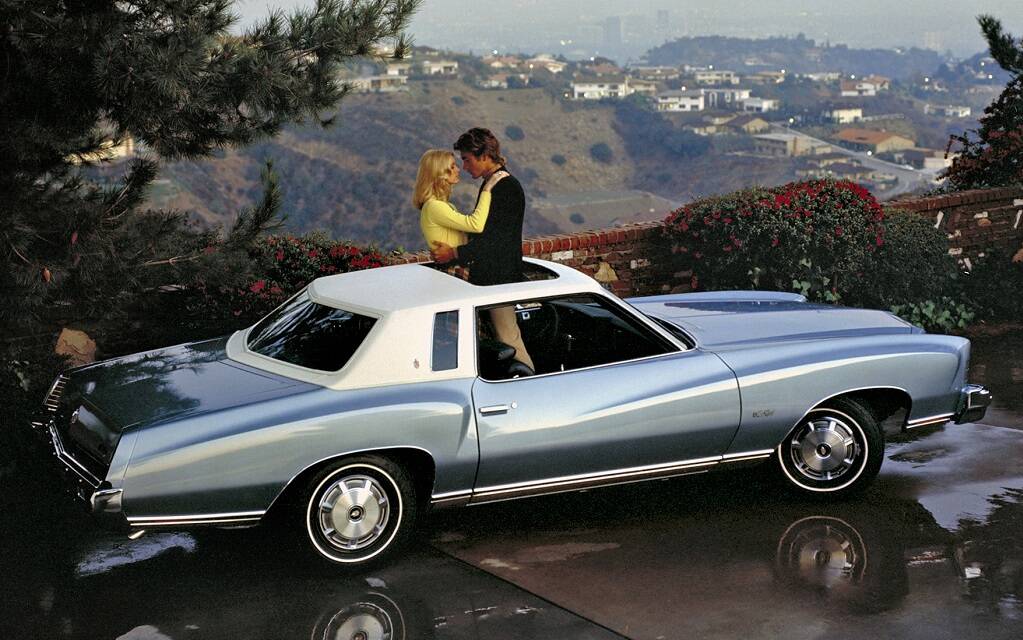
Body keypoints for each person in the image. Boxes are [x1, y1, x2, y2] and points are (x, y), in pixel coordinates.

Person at [431, 128, 534, 372]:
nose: (464, 167)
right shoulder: (493, 184)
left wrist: (454, 253)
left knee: (508, 338)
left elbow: (494, 241)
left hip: (499, 278)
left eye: (467, 159)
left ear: (484, 156)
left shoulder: (504, 187)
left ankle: (529, 382)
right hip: (491, 276)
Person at [412, 148, 508, 255]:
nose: (458, 170)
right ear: (439, 172)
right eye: (452, 167)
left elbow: (468, 235)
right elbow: (475, 225)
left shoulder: (445, 206)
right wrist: (487, 188)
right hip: (450, 266)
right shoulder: (434, 207)